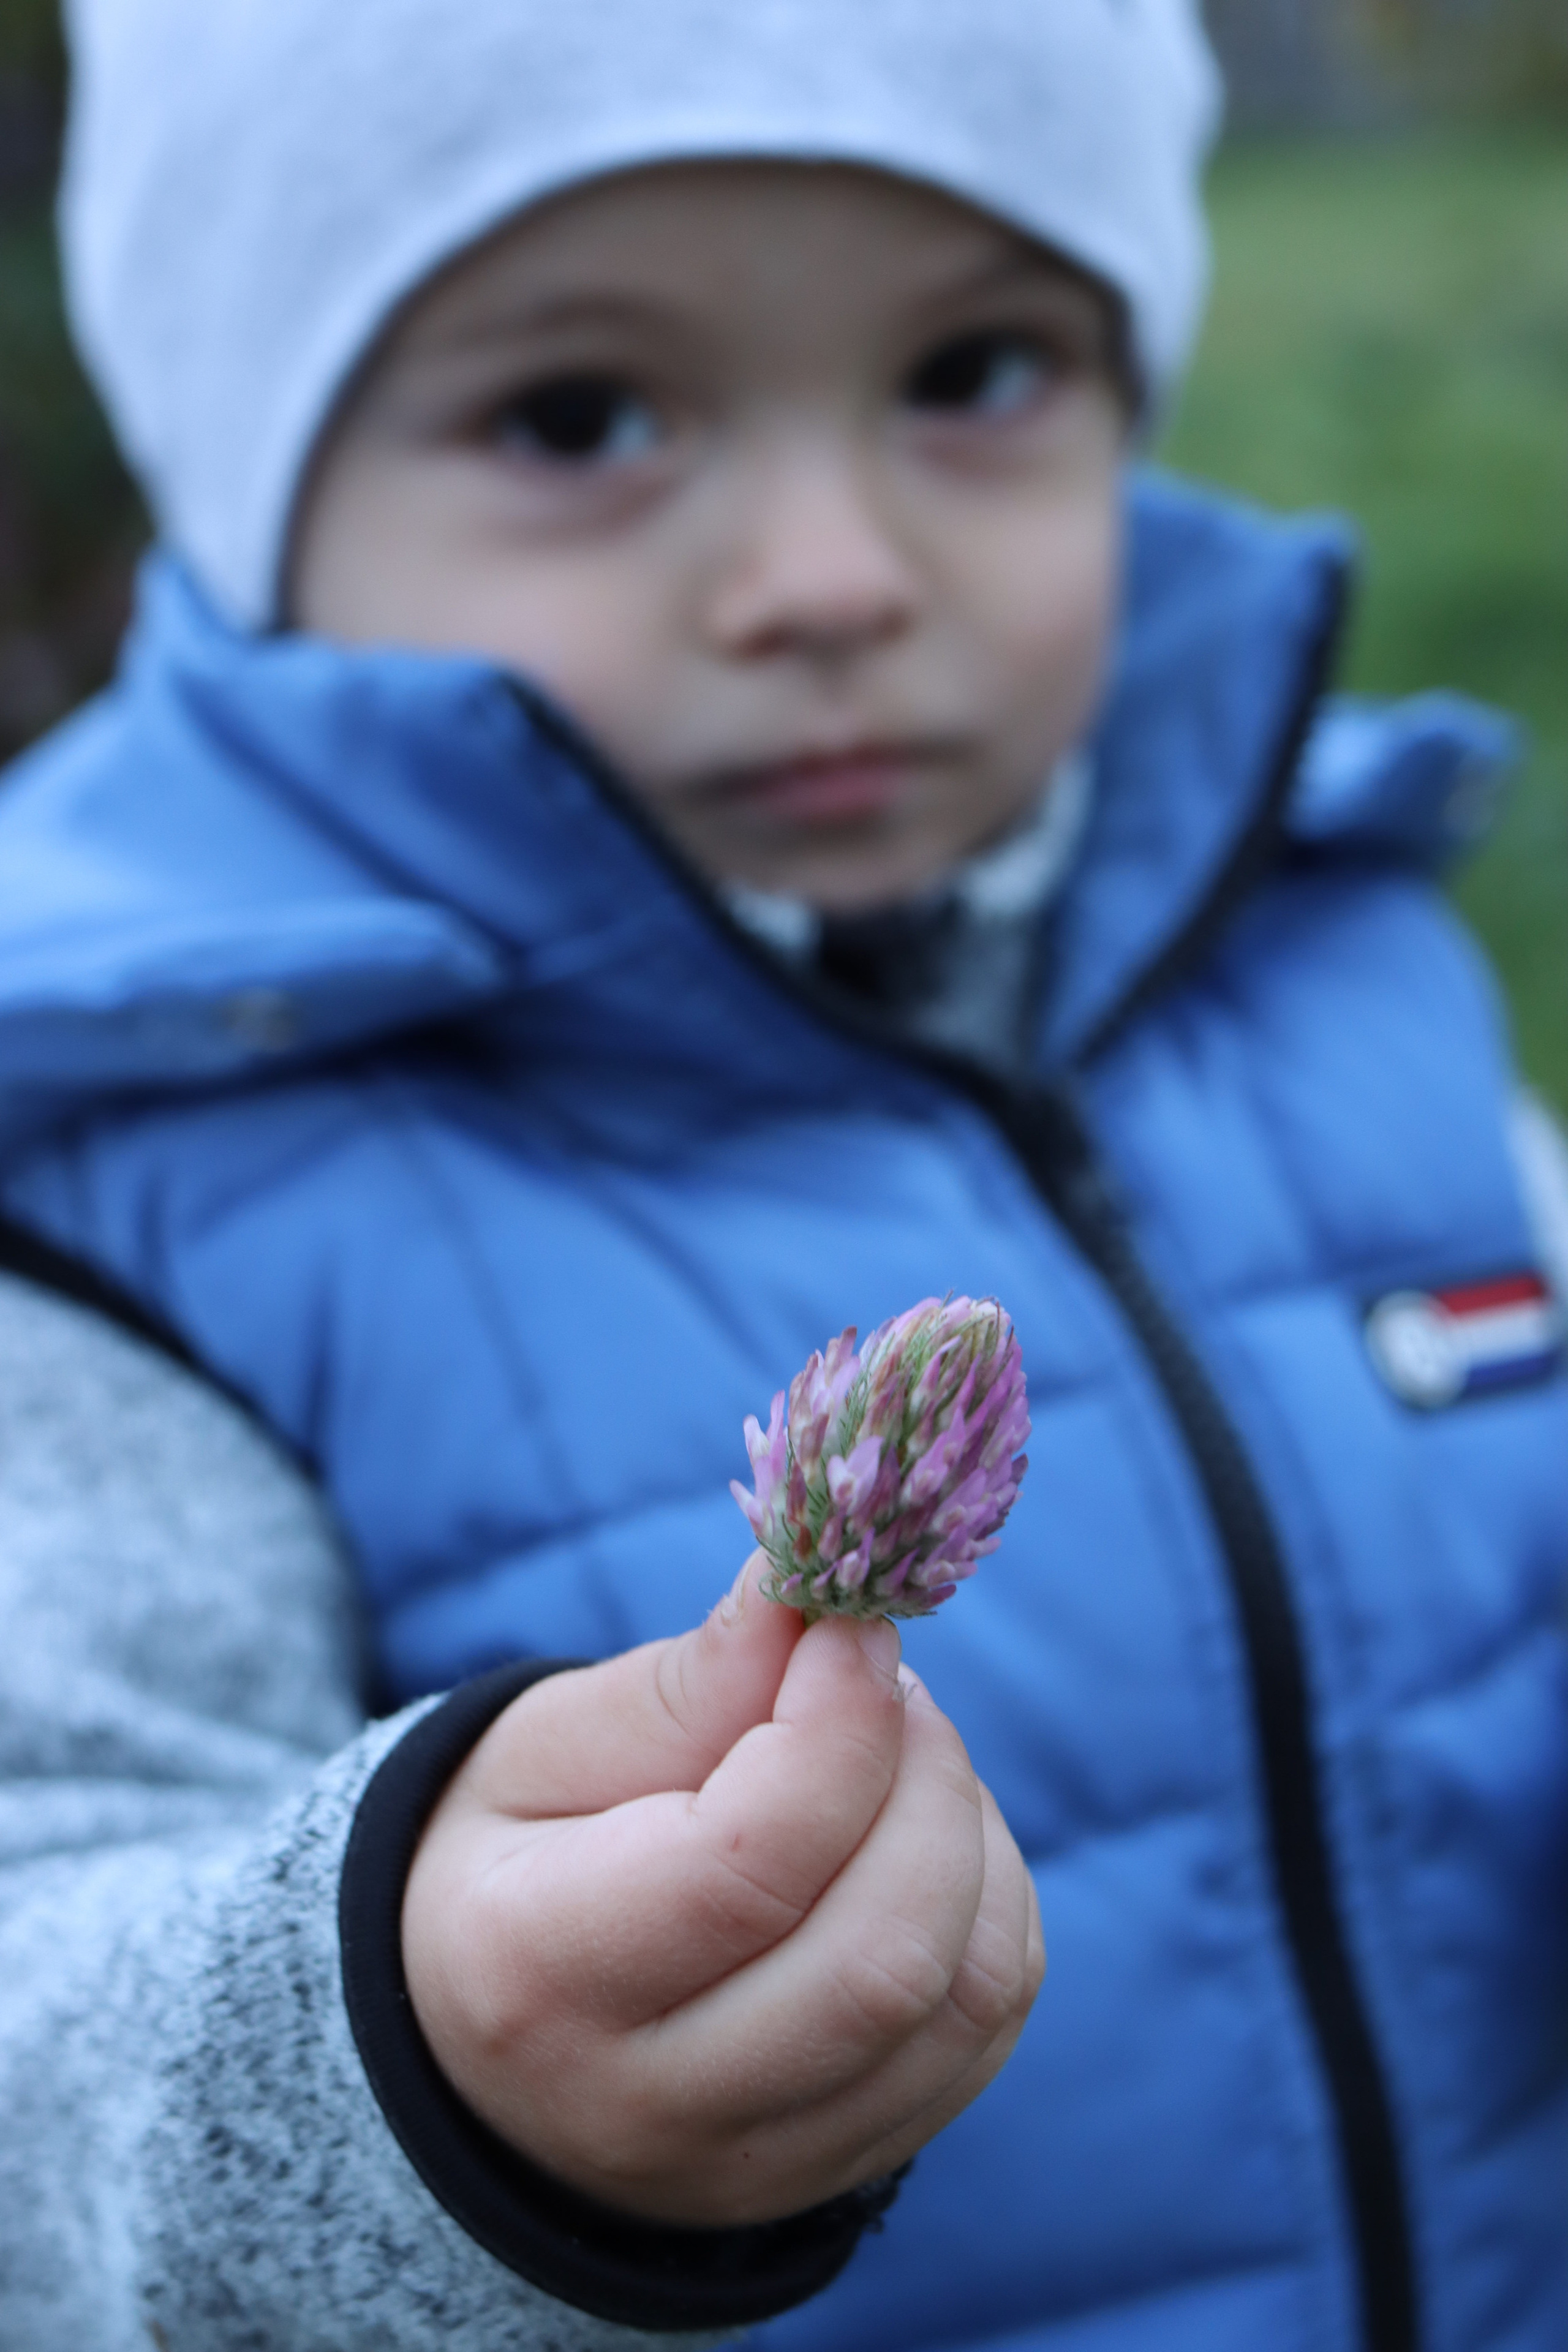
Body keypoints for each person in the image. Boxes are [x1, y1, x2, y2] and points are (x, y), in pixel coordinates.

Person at [0, 2, 1564, 2348]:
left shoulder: (1331, 941)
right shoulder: (123, 1155)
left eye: (975, 373)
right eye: (578, 418)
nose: (830, 576)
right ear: (255, 481)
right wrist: (400, 2070)